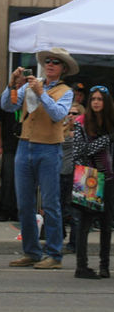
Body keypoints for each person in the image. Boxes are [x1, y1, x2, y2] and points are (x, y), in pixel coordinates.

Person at [1, 47, 77, 269]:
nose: (50, 64)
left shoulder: (66, 91)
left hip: (49, 149)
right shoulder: (29, 85)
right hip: (25, 146)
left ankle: (54, 255)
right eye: (48, 61)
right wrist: (12, 84)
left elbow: (58, 115)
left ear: (63, 68)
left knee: (51, 204)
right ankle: (32, 251)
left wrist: (42, 93)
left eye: (55, 62)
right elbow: (8, 105)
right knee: (24, 203)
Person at [72, 86, 114, 279]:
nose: (96, 102)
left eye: (100, 99)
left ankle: (104, 266)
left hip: (109, 177)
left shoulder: (110, 124)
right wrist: (104, 140)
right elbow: (80, 151)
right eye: (93, 99)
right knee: (84, 224)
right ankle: (81, 266)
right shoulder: (81, 122)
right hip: (88, 177)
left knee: (106, 225)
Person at [0, 77, 26, 222]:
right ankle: (4, 210)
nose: (19, 84)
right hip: (9, 146)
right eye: (17, 82)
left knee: (24, 180)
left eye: (23, 82)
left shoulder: (30, 98)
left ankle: (20, 210)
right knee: (8, 178)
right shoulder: (5, 99)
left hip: (26, 144)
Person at [61, 102, 84, 254]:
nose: (71, 115)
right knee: (58, 209)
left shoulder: (83, 131)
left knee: (75, 212)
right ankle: (57, 239)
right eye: (69, 112)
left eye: (74, 113)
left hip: (76, 175)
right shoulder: (60, 130)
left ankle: (74, 243)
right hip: (60, 172)